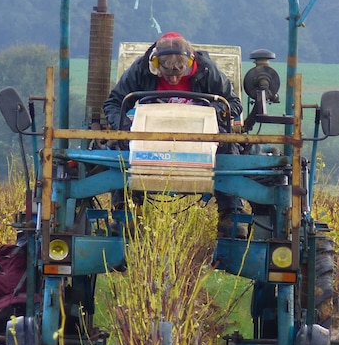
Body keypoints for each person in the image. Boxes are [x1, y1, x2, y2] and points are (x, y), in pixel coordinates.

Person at [103, 32, 247, 238]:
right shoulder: (141, 69)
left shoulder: (206, 70)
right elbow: (113, 103)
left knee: (229, 147)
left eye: (179, 72)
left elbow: (233, 104)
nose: (172, 78)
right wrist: (126, 127)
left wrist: (209, 113)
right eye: (166, 73)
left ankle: (230, 213)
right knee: (120, 148)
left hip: (201, 136)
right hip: (150, 134)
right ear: (154, 64)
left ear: (190, 62)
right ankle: (126, 209)